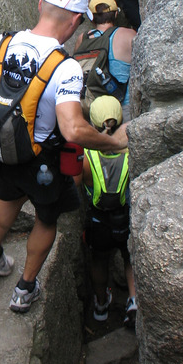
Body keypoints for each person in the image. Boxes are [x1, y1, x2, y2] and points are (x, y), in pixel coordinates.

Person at [0, 0, 129, 313]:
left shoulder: (0, 44)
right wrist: (111, 143)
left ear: (40, 6)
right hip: (44, 161)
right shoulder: (65, 67)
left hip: (5, 147)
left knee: (8, 197)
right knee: (46, 219)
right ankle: (24, 289)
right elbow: (73, 128)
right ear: (77, 20)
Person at [80, 95, 137, 327]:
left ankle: (101, 304)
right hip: (125, 218)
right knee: (130, 257)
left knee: (99, 260)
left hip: (98, 220)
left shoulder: (87, 155)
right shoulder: (131, 150)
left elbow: (75, 182)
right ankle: (134, 301)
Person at [74, 0, 136, 118]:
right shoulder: (129, 34)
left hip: (95, 109)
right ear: (116, 14)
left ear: (91, 18)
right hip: (123, 106)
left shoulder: (83, 38)